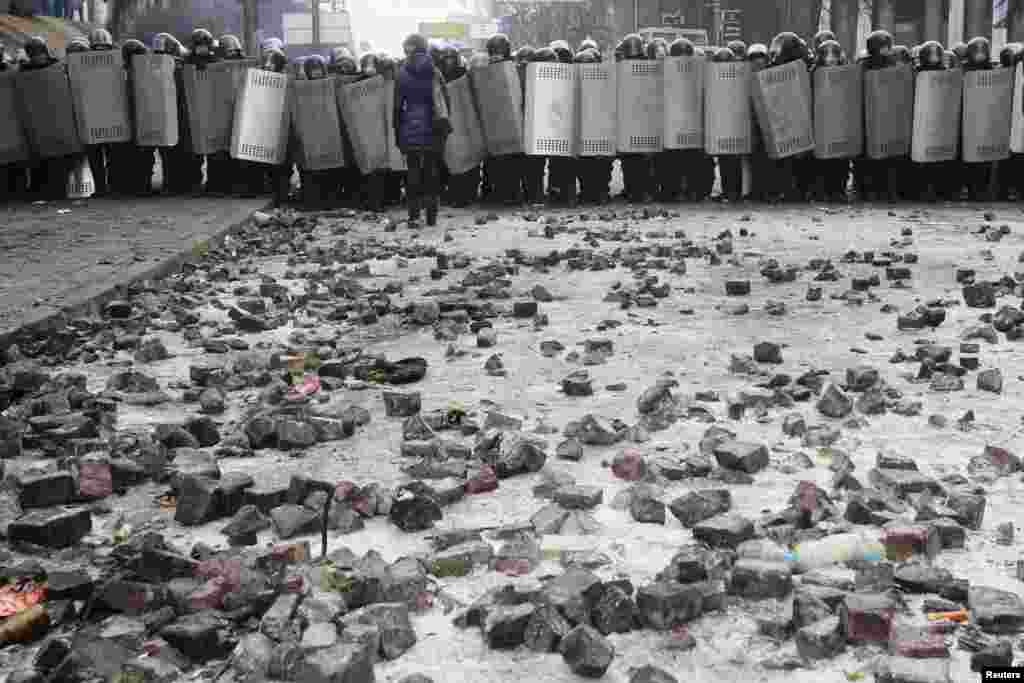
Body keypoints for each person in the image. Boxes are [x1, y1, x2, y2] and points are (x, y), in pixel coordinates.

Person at [396, 33, 451, 228]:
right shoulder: (435, 72)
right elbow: (446, 101)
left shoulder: (402, 72)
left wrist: (398, 133)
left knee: (412, 171)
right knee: (431, 171)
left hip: (409, 128)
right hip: (433, 127)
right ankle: (431, 216)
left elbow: (397, 107)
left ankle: (413, 215)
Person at [21, 35, 74, 200]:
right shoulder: (23, 72)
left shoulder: (57, 67)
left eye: (38, 53)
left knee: (59, 164)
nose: (36, 56)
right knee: (41, 163)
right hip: (37, 125)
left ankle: (58, 192)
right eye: (33, 54)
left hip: (58, 124)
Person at [440, 45, 479, 207]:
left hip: (465, 119)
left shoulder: (465, 75)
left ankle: (465, 194)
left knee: (467, 160)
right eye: (446, 58)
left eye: (451, 58)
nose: (449, 62)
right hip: (450, 122)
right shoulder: (438, 77)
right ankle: (458, 195)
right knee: (453, 160)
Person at [812, 39, 851, 201]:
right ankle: (824, 191)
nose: (830, 58)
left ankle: (839, 191)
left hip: (842, 120)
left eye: (833, 54)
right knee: (823, 161)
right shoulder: (813, 73)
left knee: (841, 160)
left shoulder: (848, 72)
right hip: (822, 122)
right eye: (827, 54)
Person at [573, 46, 612, 204]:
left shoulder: (605, 79)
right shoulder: (606, 79)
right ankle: (599, 192)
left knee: (591, 164)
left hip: (593, 130)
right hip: (596, 131)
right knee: (595, 164)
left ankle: (592, 192)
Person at [618, 33, 651, 203]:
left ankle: (633, 191)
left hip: (629, 118)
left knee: (630, 160)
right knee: (642, 161)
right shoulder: (650, 67)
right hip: (645, 117)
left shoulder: (622, 67)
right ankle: (641, 192)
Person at [962, 36, 995, 202]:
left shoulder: (993, 69)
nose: (980, 54)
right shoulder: (964, 69)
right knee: (970, 158)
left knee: (986, 159)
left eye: (983, 50)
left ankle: (983, 189)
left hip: (988, 118)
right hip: (969, 119)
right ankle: (972, 189)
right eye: (977, 50)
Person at [83, 29, 115, 197]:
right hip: (91, 115)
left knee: (112, 155)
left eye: (104, 48)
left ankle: (112, 185)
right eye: (97, 48)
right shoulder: (81, 64)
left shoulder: (117, 61)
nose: (100, 52)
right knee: (95, 156)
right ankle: (101, 187)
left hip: (112, 114)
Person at [546, 40, 577, 206]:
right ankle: (563, 192)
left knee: (560, 161)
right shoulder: (550, 73)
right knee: (562, 160)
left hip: (562, 119)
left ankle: (562, 191)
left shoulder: (569, 72)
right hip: (560, 119)